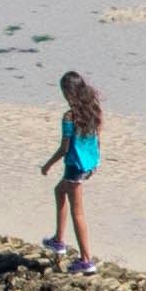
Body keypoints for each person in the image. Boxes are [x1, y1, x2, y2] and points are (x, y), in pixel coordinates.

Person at [42, 70, 108, 272]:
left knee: (77, 212)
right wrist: (95, 161)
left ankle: (86, 260)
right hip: (88, 165)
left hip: (74, 167)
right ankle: (59, 240)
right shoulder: (93, 110)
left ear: (68, 92)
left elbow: (64, 148)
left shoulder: (70, 117)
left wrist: (48, 164)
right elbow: (97, 139)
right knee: (58, 191)